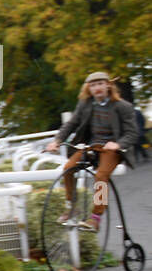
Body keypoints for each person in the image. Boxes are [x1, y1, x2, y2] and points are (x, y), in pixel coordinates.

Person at [44, 71, 139, 231]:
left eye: (100, 84)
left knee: (101, 176)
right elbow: (71, 124)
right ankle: (72, 206)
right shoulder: (86, 104)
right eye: (93, 85)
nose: (97, 88)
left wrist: (118, 144)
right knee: (68, 168)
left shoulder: (123, 107)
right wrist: (57, 141)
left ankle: (95, 218)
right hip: (91, 146)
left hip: (111, 149)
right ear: (89, 88)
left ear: (108, 85)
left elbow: (132, 133)